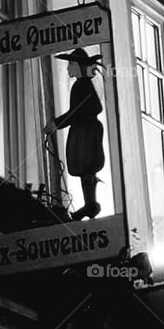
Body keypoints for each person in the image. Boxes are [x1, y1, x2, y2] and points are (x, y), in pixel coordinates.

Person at [44, 48, 105, 220]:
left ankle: (90, 205)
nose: (68, 68)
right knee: (85, 170)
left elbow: (77, 112)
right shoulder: (80, 85)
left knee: (86, 168)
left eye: (70, 64)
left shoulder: (82, 86)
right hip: (84, 130)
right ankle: (90, 204)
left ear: (78, 66)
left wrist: (56, 124)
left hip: (86, 132)